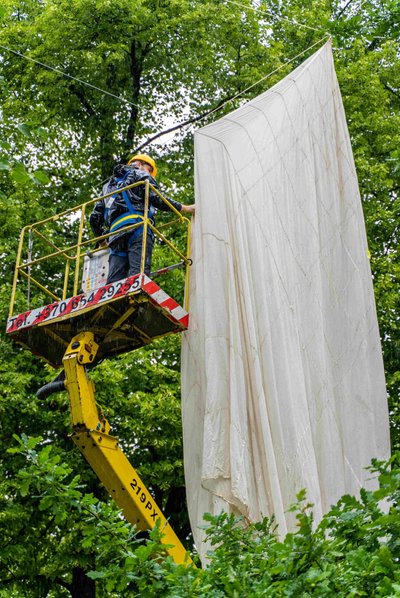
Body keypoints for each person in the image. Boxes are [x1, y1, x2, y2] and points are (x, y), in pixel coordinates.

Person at [90, 154, 195, 284]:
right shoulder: (140, 175)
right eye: (149, 170)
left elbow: (94, 217)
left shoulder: (107, 186)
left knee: (114, 283)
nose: (149, 174)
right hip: (137, 228)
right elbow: (157, 198)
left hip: (115, 235)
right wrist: (185, 208)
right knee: (138, 278)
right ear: (139, 164)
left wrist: (101, 240)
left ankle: (114, 302)